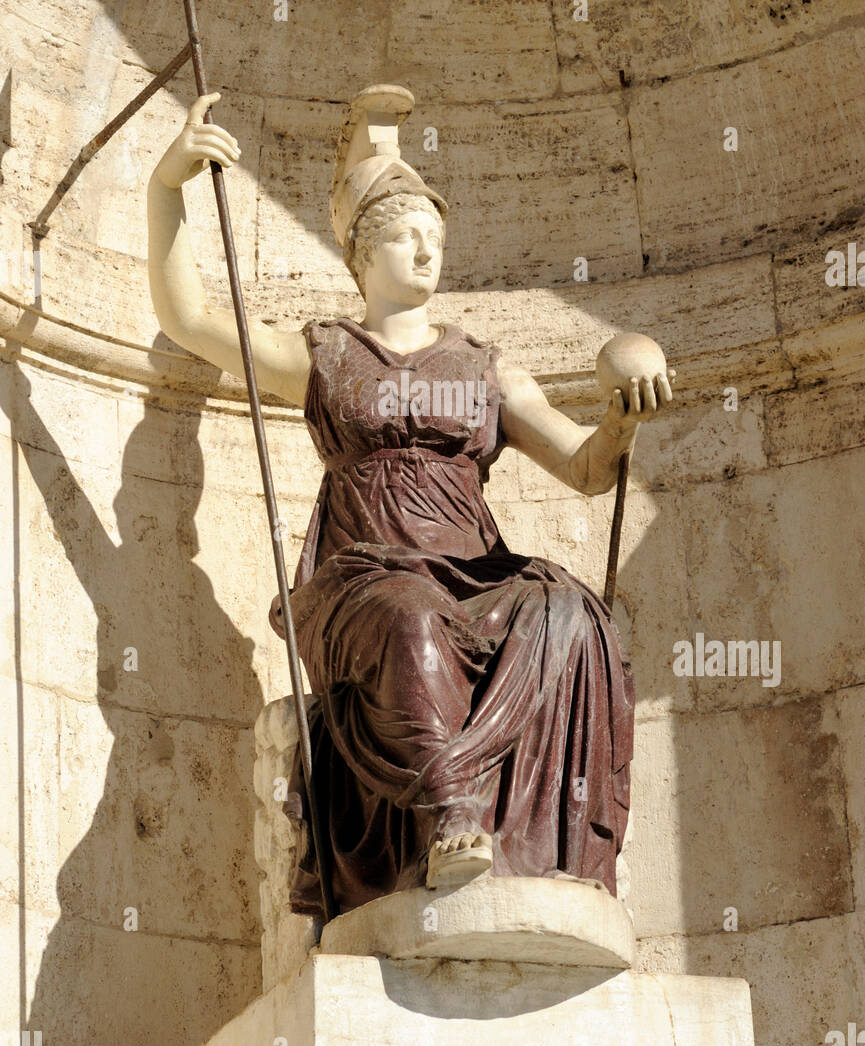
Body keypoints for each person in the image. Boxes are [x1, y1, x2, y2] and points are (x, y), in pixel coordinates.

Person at [147, 86, 674, 915]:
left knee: (570, 616)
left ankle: (553, 865)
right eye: (400, 236)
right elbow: (189, 318)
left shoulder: (485, 367)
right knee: (407, 617)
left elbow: (584, 468)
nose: (423, 253)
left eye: (432, 237)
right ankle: (449, 816)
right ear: (358, 255)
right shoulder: (322, 357)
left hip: (472, 569)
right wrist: (166, 187)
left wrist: (622, 414)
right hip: (363, 575)